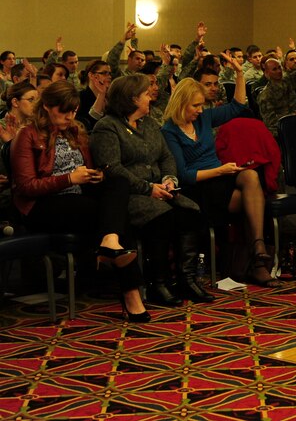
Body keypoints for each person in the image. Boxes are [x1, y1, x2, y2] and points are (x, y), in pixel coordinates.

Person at [10, 80, 149, 322]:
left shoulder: (76, 130)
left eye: (73, 111)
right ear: (47, 107)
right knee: (113, 217)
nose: (69, 116)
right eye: (64, 111)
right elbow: (26, 187)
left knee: (118, 183)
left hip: (78, 195)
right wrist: (69, 179)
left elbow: (89, 168)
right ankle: (131, 294)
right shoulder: (27, 134)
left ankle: (110, 242)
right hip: (42, 205)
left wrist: (95, 176)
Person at [90, 74, 213, 306]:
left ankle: (186, 279)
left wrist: (168, 179)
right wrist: (148, 188)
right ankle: (158, 282)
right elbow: (113, 169)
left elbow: (166, 156)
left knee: (190, 211)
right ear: (132, 98)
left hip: (159, 188)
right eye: (146, 94)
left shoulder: (148, 124)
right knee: (161, 216)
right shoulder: (107, 127)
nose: (151, 98)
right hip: (130, 195)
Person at [161, 55, 280, 288]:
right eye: (195, 106)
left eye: (200, 105)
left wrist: (239, 74)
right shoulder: (169, 131)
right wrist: (220, 170)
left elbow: (238, 106)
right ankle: (258, 262)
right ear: (181, 104)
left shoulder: (203, 118)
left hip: (220, 178)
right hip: (198, 188)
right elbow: (183, 175)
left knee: (251, 175)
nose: (199, 110)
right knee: (252, 199)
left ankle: (257, 249)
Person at [75, 60, 112, 130]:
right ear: (91, 75)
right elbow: (86, 124)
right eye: (104, 73)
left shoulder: (110, 97)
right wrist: (101, 94)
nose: (109, 76)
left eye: (109, 73)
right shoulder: (81, 97)